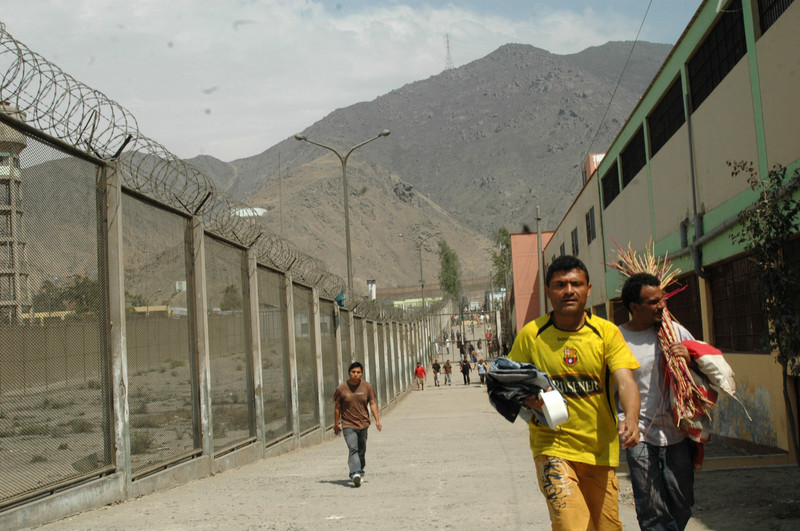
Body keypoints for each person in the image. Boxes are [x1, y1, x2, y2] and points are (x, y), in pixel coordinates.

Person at [508, 255, 641, 530]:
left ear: (588, 289)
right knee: (572, 526)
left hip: (599, 450)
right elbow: (511, 383)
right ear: (548, 292)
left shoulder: (606, 333)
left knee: (607, 527)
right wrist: (528, 399)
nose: (569, 290)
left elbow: (625, 381)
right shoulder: (531, 334)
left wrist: (631, 417)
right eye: (560, 285)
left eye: (576, 284)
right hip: (552, 447)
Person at [619, 273, 697, 530]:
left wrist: (689, 355)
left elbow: (703, 365)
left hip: (677, 432)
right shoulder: (618, 340)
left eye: (661, 299)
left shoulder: (673, 331)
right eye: (653, 302)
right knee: (651, 507)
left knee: (682, 502)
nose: (661, 306)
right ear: (634, 307)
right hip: (640, 434)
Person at [333, 362, 382, 487]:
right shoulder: (342, 388)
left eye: (358, 372)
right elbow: (337, 408)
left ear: (362, 374)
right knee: (353, 448)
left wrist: (377, 420)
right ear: (349, 373)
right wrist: (336, 424)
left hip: (363, 423)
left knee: (361, 450)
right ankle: (355, 473)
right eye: (353, 372)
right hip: (348, 424)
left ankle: (360, 470)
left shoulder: (367, 387)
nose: (355, 374)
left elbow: (372, 403)